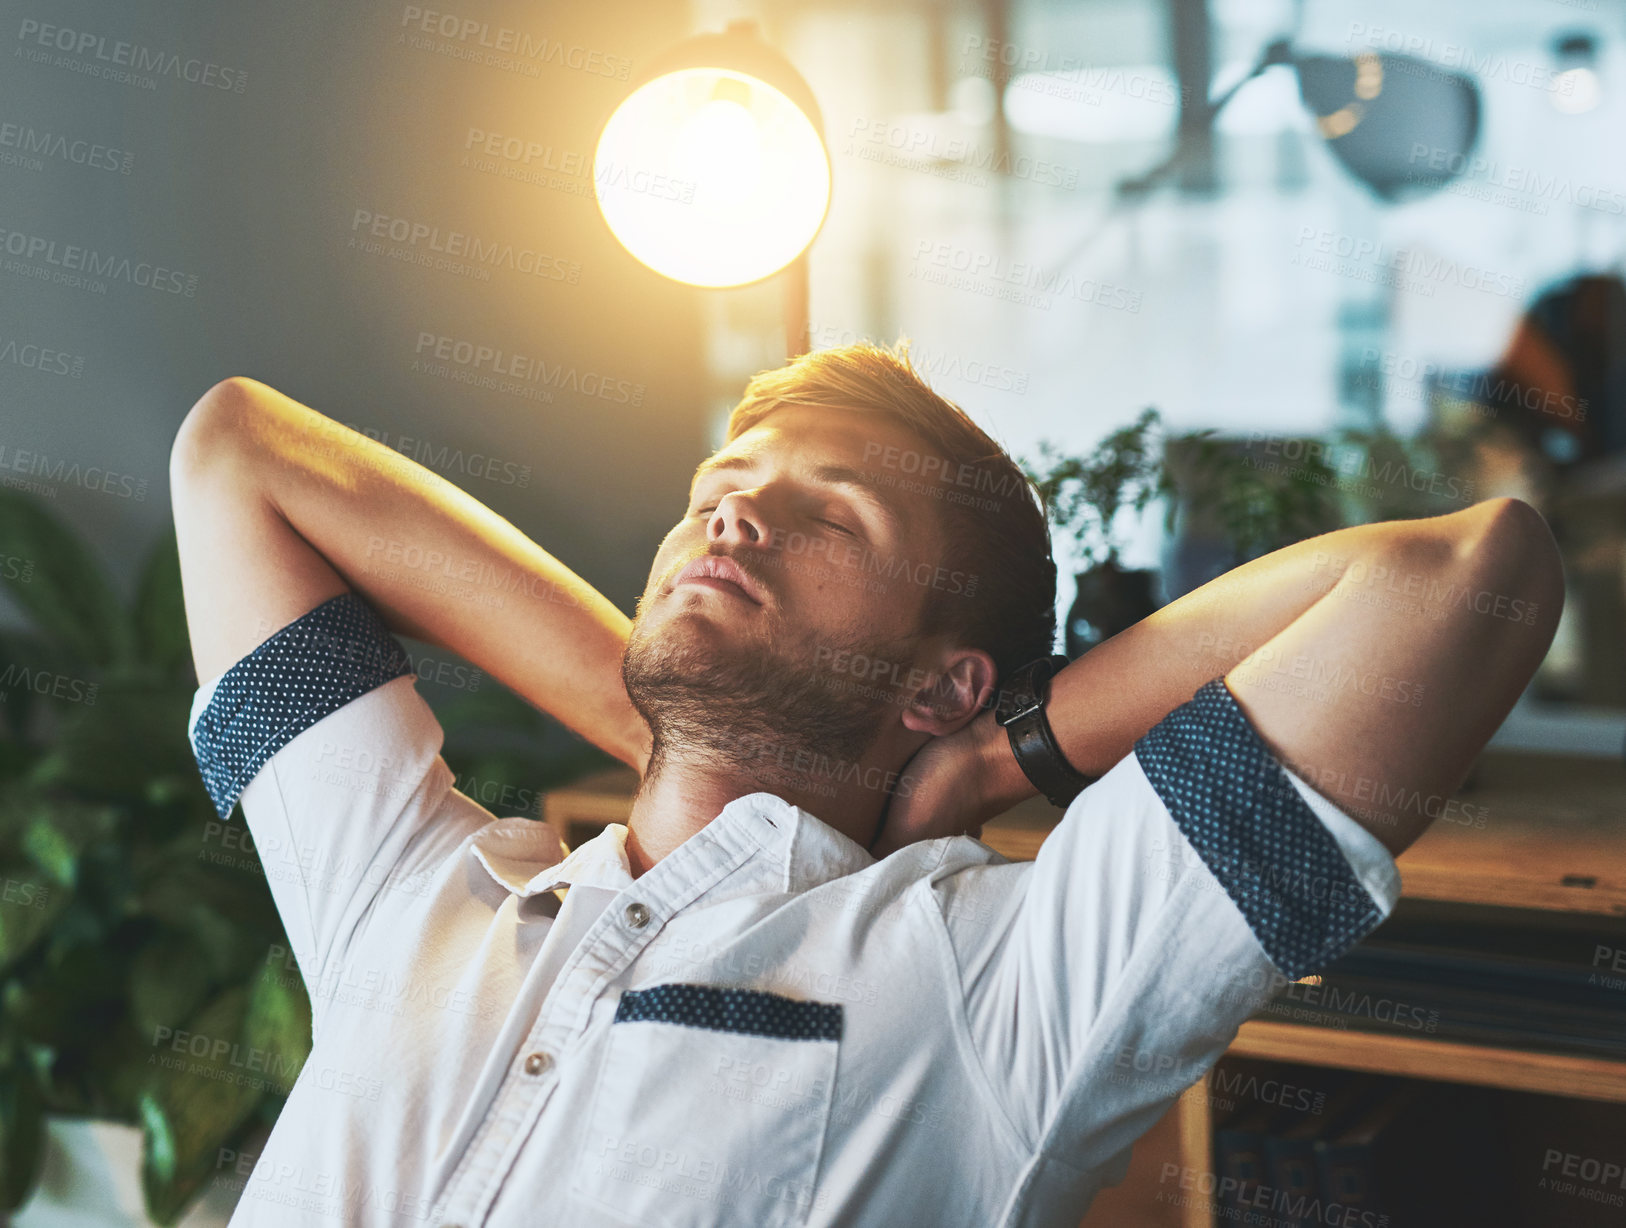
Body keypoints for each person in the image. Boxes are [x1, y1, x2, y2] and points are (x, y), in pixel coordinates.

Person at [169, 342, 1562, 1228]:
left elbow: (1459, 578)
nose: (734, 512)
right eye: (724, 483)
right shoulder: (412, 901)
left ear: (943, 678)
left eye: (833, 514)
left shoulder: (994, 985)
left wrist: (994, 753)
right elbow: (240, 451)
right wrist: (672, 713)